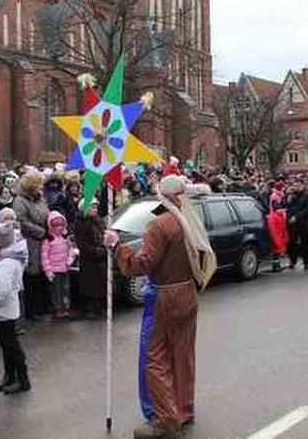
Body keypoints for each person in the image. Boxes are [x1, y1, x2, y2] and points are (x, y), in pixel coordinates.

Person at [104, 175, 217, 439]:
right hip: (187, 291)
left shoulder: (161, 225)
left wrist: (117, 245)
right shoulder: (187, 219)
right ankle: (183, 410)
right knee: (183, 355)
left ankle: (166, 420)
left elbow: (140, 265)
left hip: (166, 295)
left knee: (155, 359)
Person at [0, 223, 31, 394]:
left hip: (3, 308)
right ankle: (10, 375)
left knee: (11, 344)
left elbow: (2, 290)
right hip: (3, 309)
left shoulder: (7, 263)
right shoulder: (9, 257)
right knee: (6, 344)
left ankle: (23, 380)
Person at [13, 171, 50, 322]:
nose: (42, 187)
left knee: (42, 275)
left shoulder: (40, 199)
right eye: (39, 183)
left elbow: (46, 213)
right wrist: (41, 231)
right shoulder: (20, 201)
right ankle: (32, 311)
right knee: (31, 276)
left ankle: (42, 308)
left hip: (44, 240)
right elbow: (21, 221)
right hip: (30, 242)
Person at [40, 211, 78, 320]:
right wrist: (48, 271)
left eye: (61, 225)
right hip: (54, 271)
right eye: (56, 226)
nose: (59, 228)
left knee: (65, 289)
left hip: (65, 269)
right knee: (56, 291)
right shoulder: (48, 241)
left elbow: (71, 250)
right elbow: (44, 257)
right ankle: (58, 309)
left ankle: (66, 308)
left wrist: (70, 260)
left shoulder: (66, 239)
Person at [74, 197, 107, 319]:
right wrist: (95, 251)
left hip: (100, 257)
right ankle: (91, 307)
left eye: (96, 207)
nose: (95, 209)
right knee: (90, 284)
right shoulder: (80, 223)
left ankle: (100, 306)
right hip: (89, 258)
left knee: (101, 283)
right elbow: (81, 243)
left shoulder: (98, 221)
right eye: (92, 207)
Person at [285, 179, 308, 270]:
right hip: (293, 224)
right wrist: (287, 198)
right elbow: (286, 207)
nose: (297, 187)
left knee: (306, 243)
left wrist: (296, 217)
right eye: (295, 185)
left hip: (303, 223)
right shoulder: (291, 196)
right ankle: (293, 261)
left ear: (303, 186)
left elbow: (307, 210)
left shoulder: (307, 196)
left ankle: (307, 262)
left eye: (299, 185)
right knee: (292, 243)